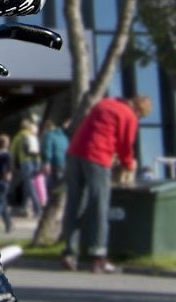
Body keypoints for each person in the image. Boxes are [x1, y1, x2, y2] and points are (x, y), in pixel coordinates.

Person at [61, 95, 149, 274]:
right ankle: (98, 255)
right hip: (98, 157)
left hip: (75, 153)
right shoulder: (129, 116)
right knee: (99, 206)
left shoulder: (105, 103)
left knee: (74, 204)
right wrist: (129, 164)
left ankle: (70, 252)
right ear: (140, 111)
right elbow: (125, 147)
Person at [11, 120, 44, 216]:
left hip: (26, 162)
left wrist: (12, 165)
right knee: (27, 185)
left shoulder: (19, 136)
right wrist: (39, 164)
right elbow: (37, 151)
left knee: (30, 186)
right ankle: (25, 207)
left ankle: (38, 209)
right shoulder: (32, 136)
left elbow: (13, 152)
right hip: (36, 162)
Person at [42, 115, 69, 194]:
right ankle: (57, 202)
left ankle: (50, 203)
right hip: (64, 163)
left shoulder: (49, 135)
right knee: (59, 184)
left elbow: (48, 149)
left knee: (51, 184)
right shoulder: (64, 136)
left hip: (54, 163)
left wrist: (47, 162)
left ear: (47, 128)